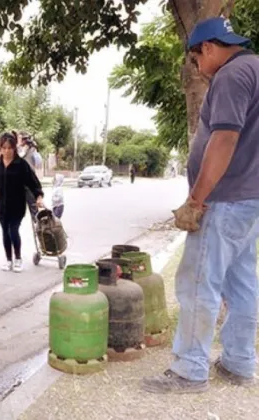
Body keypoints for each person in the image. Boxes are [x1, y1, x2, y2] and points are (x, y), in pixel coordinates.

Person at [142, 17, 259, 394]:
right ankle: (239, 362)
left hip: (223, 200)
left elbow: (224, 138)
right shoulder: (256, 69)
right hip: (250, 199)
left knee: (197, 284)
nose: (198, 68)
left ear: (208, 47)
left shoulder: (231, 76)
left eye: (195, 59)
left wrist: (197, 198)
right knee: (242, 284)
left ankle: (190, 369)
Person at [0, 132, 44, 273]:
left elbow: (34, 183)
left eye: (10, 148)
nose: (6, 151)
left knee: (13, 230)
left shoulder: (21, 165)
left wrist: (39, 197)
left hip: (17, 205)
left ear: (14, 149)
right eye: (4, 148)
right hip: (2, 205)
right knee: (5, 233)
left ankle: (18, 259)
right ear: (1, 148)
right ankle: (8, 260)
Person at [17, 131, 42, 220]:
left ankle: (37, 224)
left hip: (27, 179)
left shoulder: (25, 150)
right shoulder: (31, 149)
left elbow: (20, 156)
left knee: (32, 205)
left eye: (20, 139)